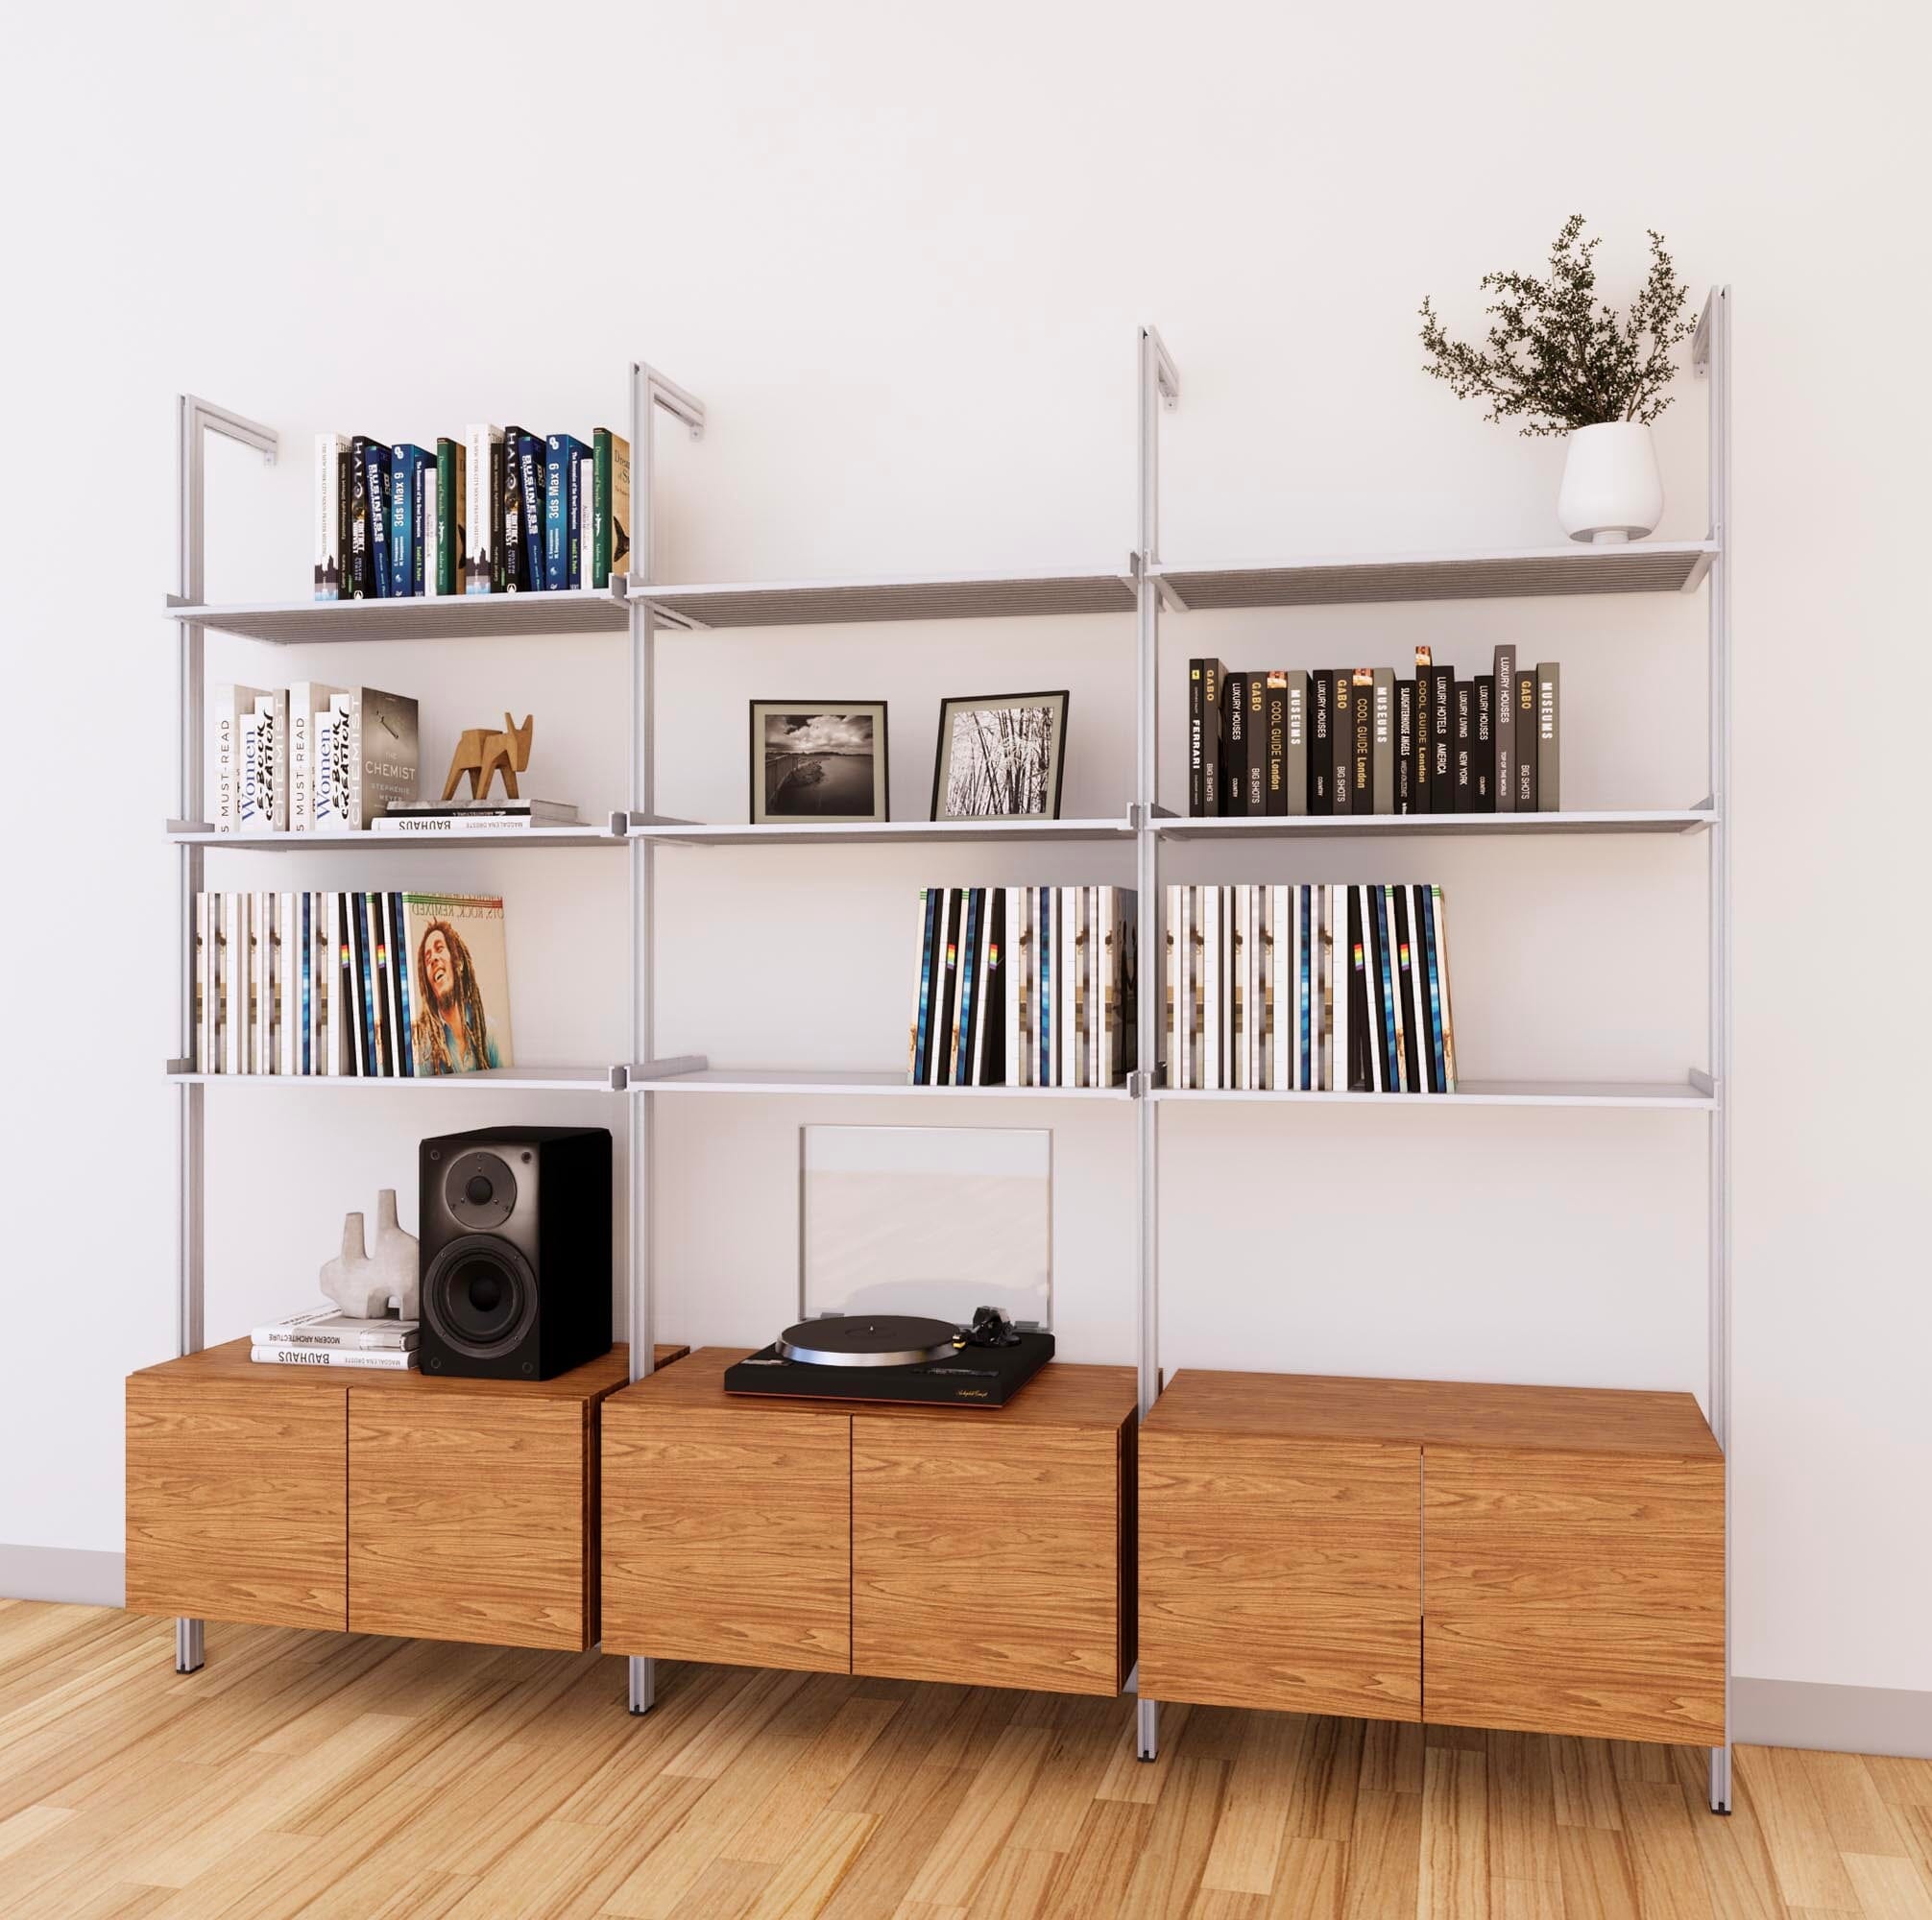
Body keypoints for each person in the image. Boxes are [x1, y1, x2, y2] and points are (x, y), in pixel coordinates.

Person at [412, 919, 500, 1073]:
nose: (433, 959)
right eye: (427, 958)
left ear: (458, 962)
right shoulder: (423, 1047)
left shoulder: (488, 1030)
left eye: (439, 948)